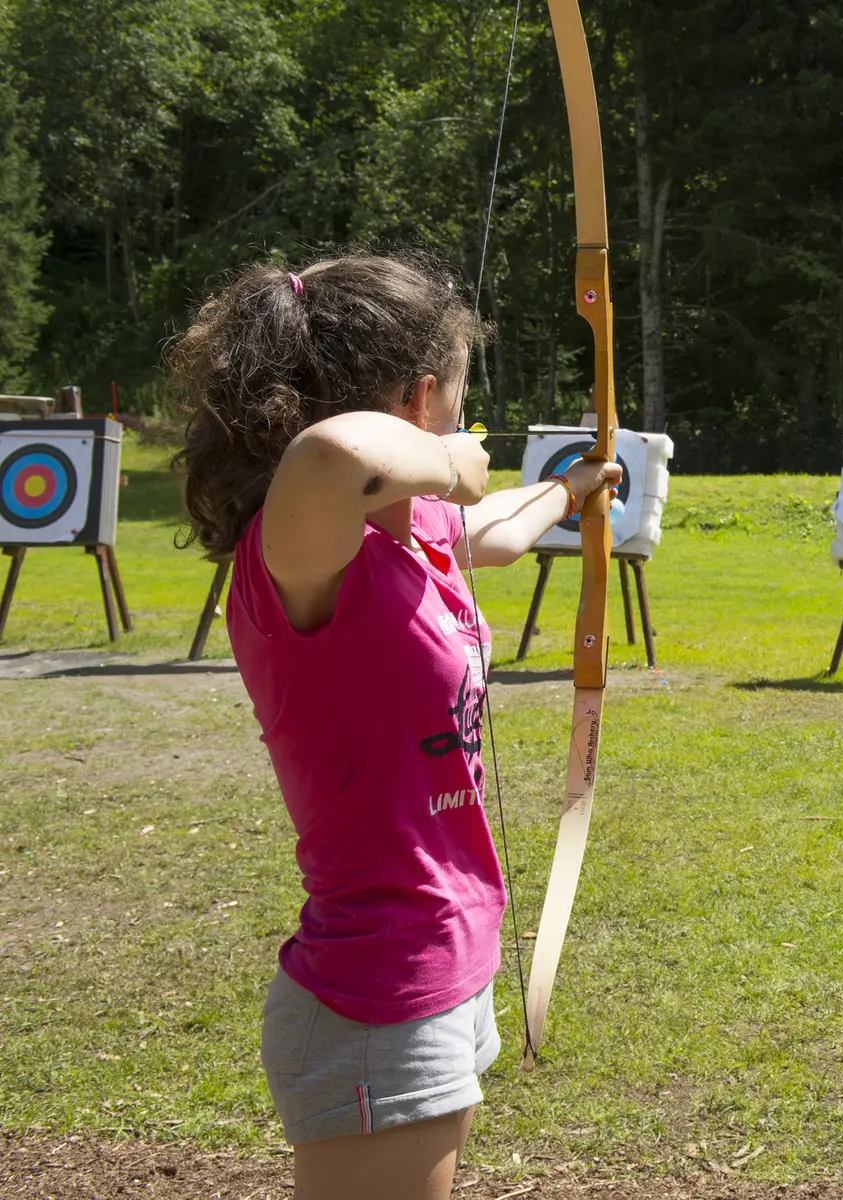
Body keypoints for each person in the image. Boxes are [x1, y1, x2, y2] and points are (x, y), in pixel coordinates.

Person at [171, 254, 620, 1200]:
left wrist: (575, 488)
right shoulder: (299, 545)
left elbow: (489, 531)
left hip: (437, 959)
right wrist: (452, 464)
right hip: (377, 988)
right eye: (459, 401)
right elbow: (337, 456)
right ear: (421, 398)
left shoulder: (403, 532)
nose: (469, 432)